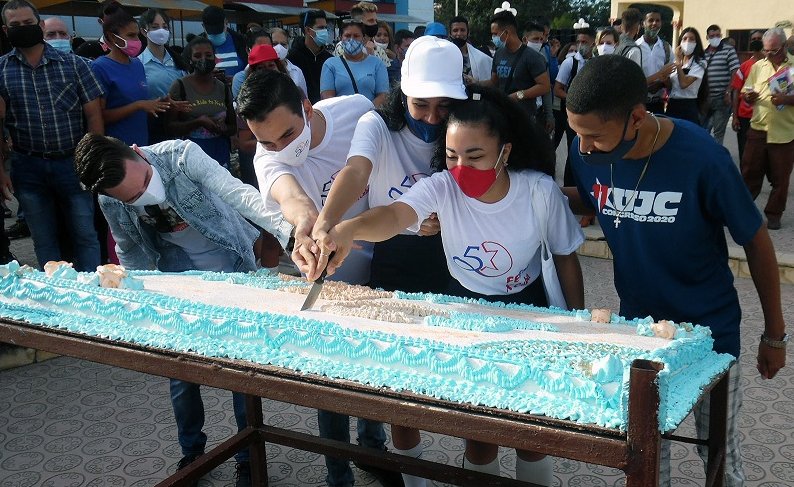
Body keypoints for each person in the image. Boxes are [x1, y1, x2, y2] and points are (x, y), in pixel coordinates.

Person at [315, 86, 584, 487]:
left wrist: (580, 328)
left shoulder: (538, 192)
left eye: (475, 157)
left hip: (529, 310)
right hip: (468, 311)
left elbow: (566, 257)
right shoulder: (443, 186)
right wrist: (349, 229)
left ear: (504, 153)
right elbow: (393, 215)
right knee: (479, 433)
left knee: (532, 432)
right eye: (453, 156)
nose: (461, 168)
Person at [564, 54, 787, 487]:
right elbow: (593, 200)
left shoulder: (703, 157)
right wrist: (525, 194)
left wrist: (774, 334)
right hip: (641, 332)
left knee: (720, 453)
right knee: (645, 455)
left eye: (593, 136)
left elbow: (757, 244)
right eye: (577, 134)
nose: (583, 148)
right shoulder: (587, 147)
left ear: (636, 117)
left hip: (710, 334)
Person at [73, 133, 291, 487]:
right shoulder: (109, 201)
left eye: (144, 180)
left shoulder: (181, 156)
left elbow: (239, 194)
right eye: (134, 197)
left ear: (136, 152)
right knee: (182, 375)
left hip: (233, 272)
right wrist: (141, 304)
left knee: (241, 372)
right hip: (177, 284)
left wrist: (288, 230)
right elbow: (129, 251)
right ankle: (192, 452)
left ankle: (247, 455)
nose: (146, 193)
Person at [308, 35, 467, 487]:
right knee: (400, 377)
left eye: (444, 106)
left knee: (456, 376)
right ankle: (409, 472)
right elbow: (355, 171)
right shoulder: (376, 123)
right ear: (401, 92)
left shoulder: (468, 124)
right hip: (394, 251)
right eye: (421, 106)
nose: (434, 119)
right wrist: (326, 222)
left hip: (455, 256)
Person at [237, 69, 402, 487]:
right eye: (266, 141)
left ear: (307, 109)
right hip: (330, 271)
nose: (280, 148)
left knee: (376, 364)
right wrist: (305, 229)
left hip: (385, 260)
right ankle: (338, 472)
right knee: (331, 375)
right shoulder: (267, 157)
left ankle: (373, 447)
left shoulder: (356, 112)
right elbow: (294, 200)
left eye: (288, 135)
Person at [0, 0, 103, 271]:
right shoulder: (1, 70)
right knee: (44, 240)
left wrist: (94, 160)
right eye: (15, 26)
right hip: (27, 166)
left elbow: (94, 116)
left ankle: (95, 293)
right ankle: (57, 296)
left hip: (73, 162)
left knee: (85, 234)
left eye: (28, 24)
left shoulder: (76, 65)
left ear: (40, 25)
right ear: (5, 30)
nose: (23, 29)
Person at [92, 1, 170, 146]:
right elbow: (98, 116)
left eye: (137, 35)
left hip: (141, 146)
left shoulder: (137, 64)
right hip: (117, 148)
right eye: (131, 35)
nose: (137, 40)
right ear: (112, 37)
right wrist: (138, 105)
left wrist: (160, 103)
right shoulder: (99, 68)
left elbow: (141, 104)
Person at [740, 27, 794, 231]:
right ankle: (742, 211)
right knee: (749, 173)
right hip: (758, 128)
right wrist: (748, 96)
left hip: (785, 132)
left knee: (780, 178)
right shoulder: (758, 66)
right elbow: (747, 89)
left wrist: (787, 99)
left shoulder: (793, 67)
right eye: (766, 50)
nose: (769, 54)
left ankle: (774, 214)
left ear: (784, 46)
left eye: (773, 50)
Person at [166, 37, 236, 169]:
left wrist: (224, 129)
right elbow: (170, 126)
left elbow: (233, 127)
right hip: (191, 155)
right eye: (197, 55)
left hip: (219, 153)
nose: (203, 59)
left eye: (208, 55)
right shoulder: (180, 86)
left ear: (214, 58)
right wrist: (198, 122)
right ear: (190, 59)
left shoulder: (223, 88)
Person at [138, 8, 190, 144]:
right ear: (144, 31)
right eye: (155, 27)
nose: (161, 31)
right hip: (154, 126)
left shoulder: (179, 61)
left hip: (181, 124)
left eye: (165, 27)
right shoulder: (138, 64)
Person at [488, 11, 550, 119]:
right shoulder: (498, 54)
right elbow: (493, 82)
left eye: (495, 34)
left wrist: (519, 95)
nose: (493, 37)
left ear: (506, 33)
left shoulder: (532, 56)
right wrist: (474, 82)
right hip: (503, 115)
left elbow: (545, 86)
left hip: (524, 118)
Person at [554, 27, 595, 187]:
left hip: (593, 116)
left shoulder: (598, 62)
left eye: (584, 42)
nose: (581, 45)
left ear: (593, 42)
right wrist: (576, 99)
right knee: (575, 152)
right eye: (578, 41)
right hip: (573, 115)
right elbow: (557, 89)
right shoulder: (570, 62)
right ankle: (570, 188)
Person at [320, 20, 388, 106]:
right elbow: (327, 98)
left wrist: (367, 111)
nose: (351, 40)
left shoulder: (377, 64)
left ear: (363, 39)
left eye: (356, 36)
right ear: (341, 38)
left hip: (369, 116)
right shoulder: (330, 64)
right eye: (347, 36)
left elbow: (383, 96)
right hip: (340, 117)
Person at [702, 24, 740, 144]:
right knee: (703, 131)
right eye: (712, 36)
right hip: (706, 100)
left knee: (718, 133)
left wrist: (729, 91)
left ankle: (716, 160)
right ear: (707, 37)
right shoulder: (703, 53)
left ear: (721, 36)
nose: (715, 38)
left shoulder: (728, 50)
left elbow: (735, 71)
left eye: (718, 35)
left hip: (722, 99)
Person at [731, 31, 764, 161]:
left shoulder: (773, 66)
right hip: (744, 116)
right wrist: (735, 117)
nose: (756, 41)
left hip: (764, 116)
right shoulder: (744, 67)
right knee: (744, 152)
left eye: (759, 39)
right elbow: (736, 92)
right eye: (754, 39)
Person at [288, 9, 332, 104]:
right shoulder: (292, 58)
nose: (324, 31)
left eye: (325, 28)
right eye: (320, 28)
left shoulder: (329, 59)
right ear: (308, 30)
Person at [635, 10, 674, 114]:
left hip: (658, 104)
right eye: (650, 20)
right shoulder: (635, 47)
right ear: (643, 23)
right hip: (639, 103)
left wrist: (660, 84)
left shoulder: (666, 48)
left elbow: (671, 78)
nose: (654, 23)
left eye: (658, 20)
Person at [665, 27, 707, 124]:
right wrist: (665, 80)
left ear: (697, 43)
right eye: (684, 39)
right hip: (673, 104)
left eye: (692, 39)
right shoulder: (675, 61)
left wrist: (678, 64)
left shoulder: (700, 63)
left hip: (688, 105)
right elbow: (671, 87)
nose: (687, 42)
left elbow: (684, 84)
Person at [199, 5, 246, 79]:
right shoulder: (196, 46)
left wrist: (236, 80)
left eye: (218, 31)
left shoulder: (240, 41)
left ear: (226, 23)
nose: (215, 34)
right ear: (203, 26)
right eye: (211, 32)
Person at [448, 15, 493, 85]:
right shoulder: (443, 56)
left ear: (468, 33)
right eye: (455, 30)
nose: (459, 34)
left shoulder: (481, 59)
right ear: (450, 34)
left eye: (462, 30)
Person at [231, 28, 273, 99]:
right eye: (260, 48)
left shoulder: (279, 71)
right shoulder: (240, 78)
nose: (265, 51)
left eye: (268, 47)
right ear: (248, 50)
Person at [270, 27, 308, 97]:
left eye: (283, 44)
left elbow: (304, 98)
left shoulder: (297, 71)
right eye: (274, 44)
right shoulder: (262, 68)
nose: (279, 47)